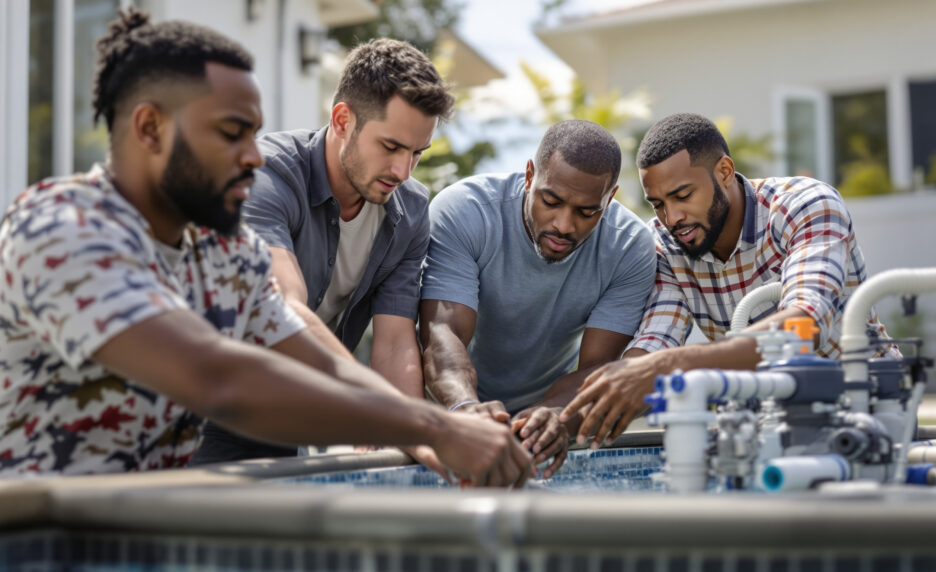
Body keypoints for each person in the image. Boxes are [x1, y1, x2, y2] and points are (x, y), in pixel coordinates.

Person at [0, 9, 534, 487]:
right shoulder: (62, 229)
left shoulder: (223, 254)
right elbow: (214, 378)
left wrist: (426, 436)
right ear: (150, 127)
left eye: (254, 133)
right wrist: (433, 425)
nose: (254, 156)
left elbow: (309, 347)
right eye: (231, 132)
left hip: (135, 533)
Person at [560, 113, 899, 447]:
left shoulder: (805, 205)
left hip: (865, 411)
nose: (672, 218)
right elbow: (653, 345)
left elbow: (806, 327)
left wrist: (663, 367)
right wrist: (555, 419)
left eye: (682, 196)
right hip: (763, 421)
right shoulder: (665, 244)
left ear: (723, 171)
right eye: (659, 204)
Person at [189, 38, 451, 465]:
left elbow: (394, 342)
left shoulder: (411, 211)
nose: (403, 171)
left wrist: (410, 439)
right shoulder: (263, 178)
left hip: (288, 416)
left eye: (416, 154)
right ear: (343, 119)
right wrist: (396, 415)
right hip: (204, 408)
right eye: (391, 147)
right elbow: (282, 307)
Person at [419, 120, 656, 477]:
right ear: (529, 175)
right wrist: (465, 408)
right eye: (551, 200)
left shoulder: (629, 248)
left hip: (545, 418)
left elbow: (597, 367)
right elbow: (443, 332)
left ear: (611, 197)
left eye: (587, 211)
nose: (564, 225)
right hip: (444, 412)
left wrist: (557, 415)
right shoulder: (466, 211)